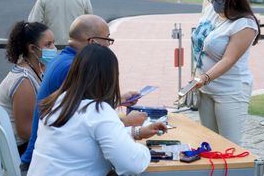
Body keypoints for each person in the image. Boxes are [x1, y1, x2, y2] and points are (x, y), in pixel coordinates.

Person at [21, 14, 147, 168]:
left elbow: (80, 124)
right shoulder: (73, 68)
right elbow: (131, 162)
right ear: (93, 43)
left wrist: (119, 102)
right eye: (107, 39)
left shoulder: (63, 61)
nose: (109, 45)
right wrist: (127, 123)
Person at [27, 44, 167, 176]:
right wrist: (146, 150)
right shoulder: (98, 111)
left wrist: (136, 132)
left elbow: (84, 138)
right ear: (108, 79)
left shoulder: (58, 102)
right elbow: (132, 163)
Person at [191, 0, 260, 145]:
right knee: (209, 143)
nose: (214, 0)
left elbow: (229, 59)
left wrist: (205, 78)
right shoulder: (210, 10)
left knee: (229, 146)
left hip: (230, 91)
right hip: (205, 89)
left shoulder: (245, 24)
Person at [0, 21, 56, 155]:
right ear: (32, 48)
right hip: (19, 149)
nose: (53, 48)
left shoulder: (39, 69)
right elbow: (25, 131)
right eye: (48, 44)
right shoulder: (23, 80)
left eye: (53, 43)